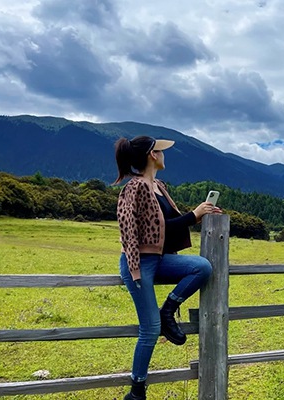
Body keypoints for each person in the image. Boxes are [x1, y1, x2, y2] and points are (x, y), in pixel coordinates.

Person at [113, 135, 221, 400]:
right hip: (139, 262)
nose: (164, 154)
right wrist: (194, 216)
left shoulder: (159, 186)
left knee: (202, 267)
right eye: (160, 150)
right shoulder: (134, 187)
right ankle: (136, 391)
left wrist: (197, 215)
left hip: (160, 259)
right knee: (148, 330)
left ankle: (168, 310)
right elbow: (131, 229)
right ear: (152, 155)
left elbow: (169, 225)